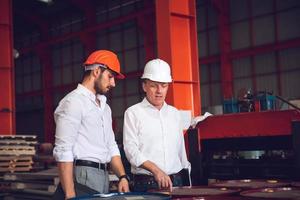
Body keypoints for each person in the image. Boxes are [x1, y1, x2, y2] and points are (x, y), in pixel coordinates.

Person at [53, 50, 130, 199]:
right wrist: (70, 194)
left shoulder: (105, 108)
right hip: (83, 174)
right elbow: (64, 150)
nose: (113, 83)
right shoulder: (73, 102)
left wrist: (122, 176)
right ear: (96, 71)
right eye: (110, 76)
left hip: (103, 176)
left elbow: (111, 145)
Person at [123, 59, 191, 192]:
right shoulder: (133, 113)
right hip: (146, 184)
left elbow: (181, 152)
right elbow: (131, 150)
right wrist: (156, 170)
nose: (159, 91)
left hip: (176, 182)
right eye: (154, 85)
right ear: (144, 86)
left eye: (164, 85)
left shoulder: (174, 114)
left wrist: (188, 181)